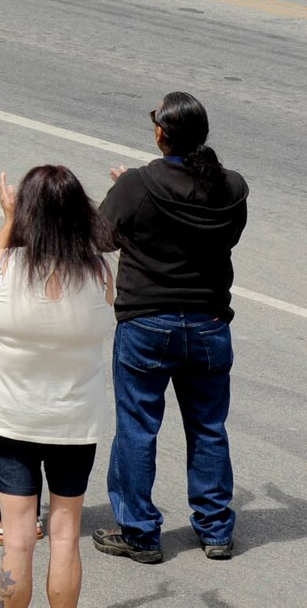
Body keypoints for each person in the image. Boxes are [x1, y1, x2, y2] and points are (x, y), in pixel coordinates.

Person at [93, 91, 249, 566]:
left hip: (147, 325)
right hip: (208, 327)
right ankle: (216, 530)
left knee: (138, 429)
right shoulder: (232, 187)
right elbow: (227, 233)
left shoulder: (140, 185)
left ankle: (140, 534)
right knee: (208, 427)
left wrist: (129, 195)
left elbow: (99, 237)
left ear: (162, 133)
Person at [0, 166, 115, 608]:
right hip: (74, 422)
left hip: (9, 420)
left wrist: (8, 220)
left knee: (17, 539)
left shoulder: (3, 267)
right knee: (66, 535)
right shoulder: (99, 275)